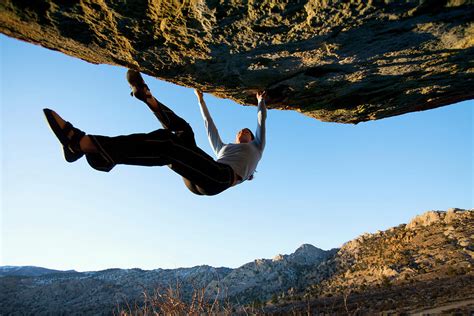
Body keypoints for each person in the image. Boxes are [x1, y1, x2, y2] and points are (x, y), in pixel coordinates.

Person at [43, 70, 267, 195]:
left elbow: (261, 121)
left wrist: (260, 102)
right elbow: (209, 125)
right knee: (183, 133)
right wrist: (201, 100)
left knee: (169, 147)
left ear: (251, 137)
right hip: (204, 169)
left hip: (219, 178)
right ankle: (148, 98)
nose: (241, 131)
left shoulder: (257, 147)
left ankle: (83, 143)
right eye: (240, 130)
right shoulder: (224, 148)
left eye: (245, 131)